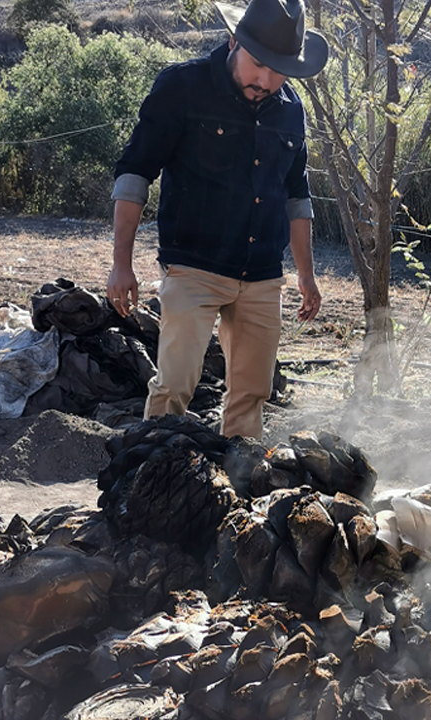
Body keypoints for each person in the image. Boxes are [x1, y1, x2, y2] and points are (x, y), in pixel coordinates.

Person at [106, 0, 327, 439]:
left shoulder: (290, 111)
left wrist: (307, 274)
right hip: (193, 267)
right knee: (174, 388)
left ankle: (237, 493)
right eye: (259, 64)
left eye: (279, 69)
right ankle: (150, 481)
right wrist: (121, 264)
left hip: (262, 275)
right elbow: (134, 174)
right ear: (233, 43)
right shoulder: (181, 87)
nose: (265, 81)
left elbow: (296, 196)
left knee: (251, 395)